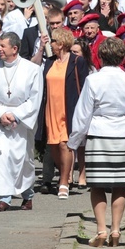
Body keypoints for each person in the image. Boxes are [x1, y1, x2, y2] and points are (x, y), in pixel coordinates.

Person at [70, 37, 125, 247]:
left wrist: (74, 140)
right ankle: (115, 230)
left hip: (99, 133)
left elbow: (83, 112)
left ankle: (101, 229)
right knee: (121, 185)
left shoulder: (93, 80)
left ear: (100, 57)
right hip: (124, 134)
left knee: (97, 185)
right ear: (122, 57)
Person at [0, 32, 43, 212]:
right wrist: (0, 115)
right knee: (1, 156)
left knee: (23, 159)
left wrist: (15, 115)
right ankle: (4, 198)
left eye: (2, 46)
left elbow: (34, 99)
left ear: (14, 49)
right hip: (1, 121)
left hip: (22, 123)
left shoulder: (32, 69)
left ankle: (27, 195)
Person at [37, 28, 88, 200]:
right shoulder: (50, 62)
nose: (51, 44)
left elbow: (84, 86)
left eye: (53, 41)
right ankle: (64, 174)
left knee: (64, 144)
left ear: (61, 43)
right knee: (53, 146)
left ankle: (64, 182)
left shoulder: (76, 61)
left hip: (69, 108)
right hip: (51, 108)